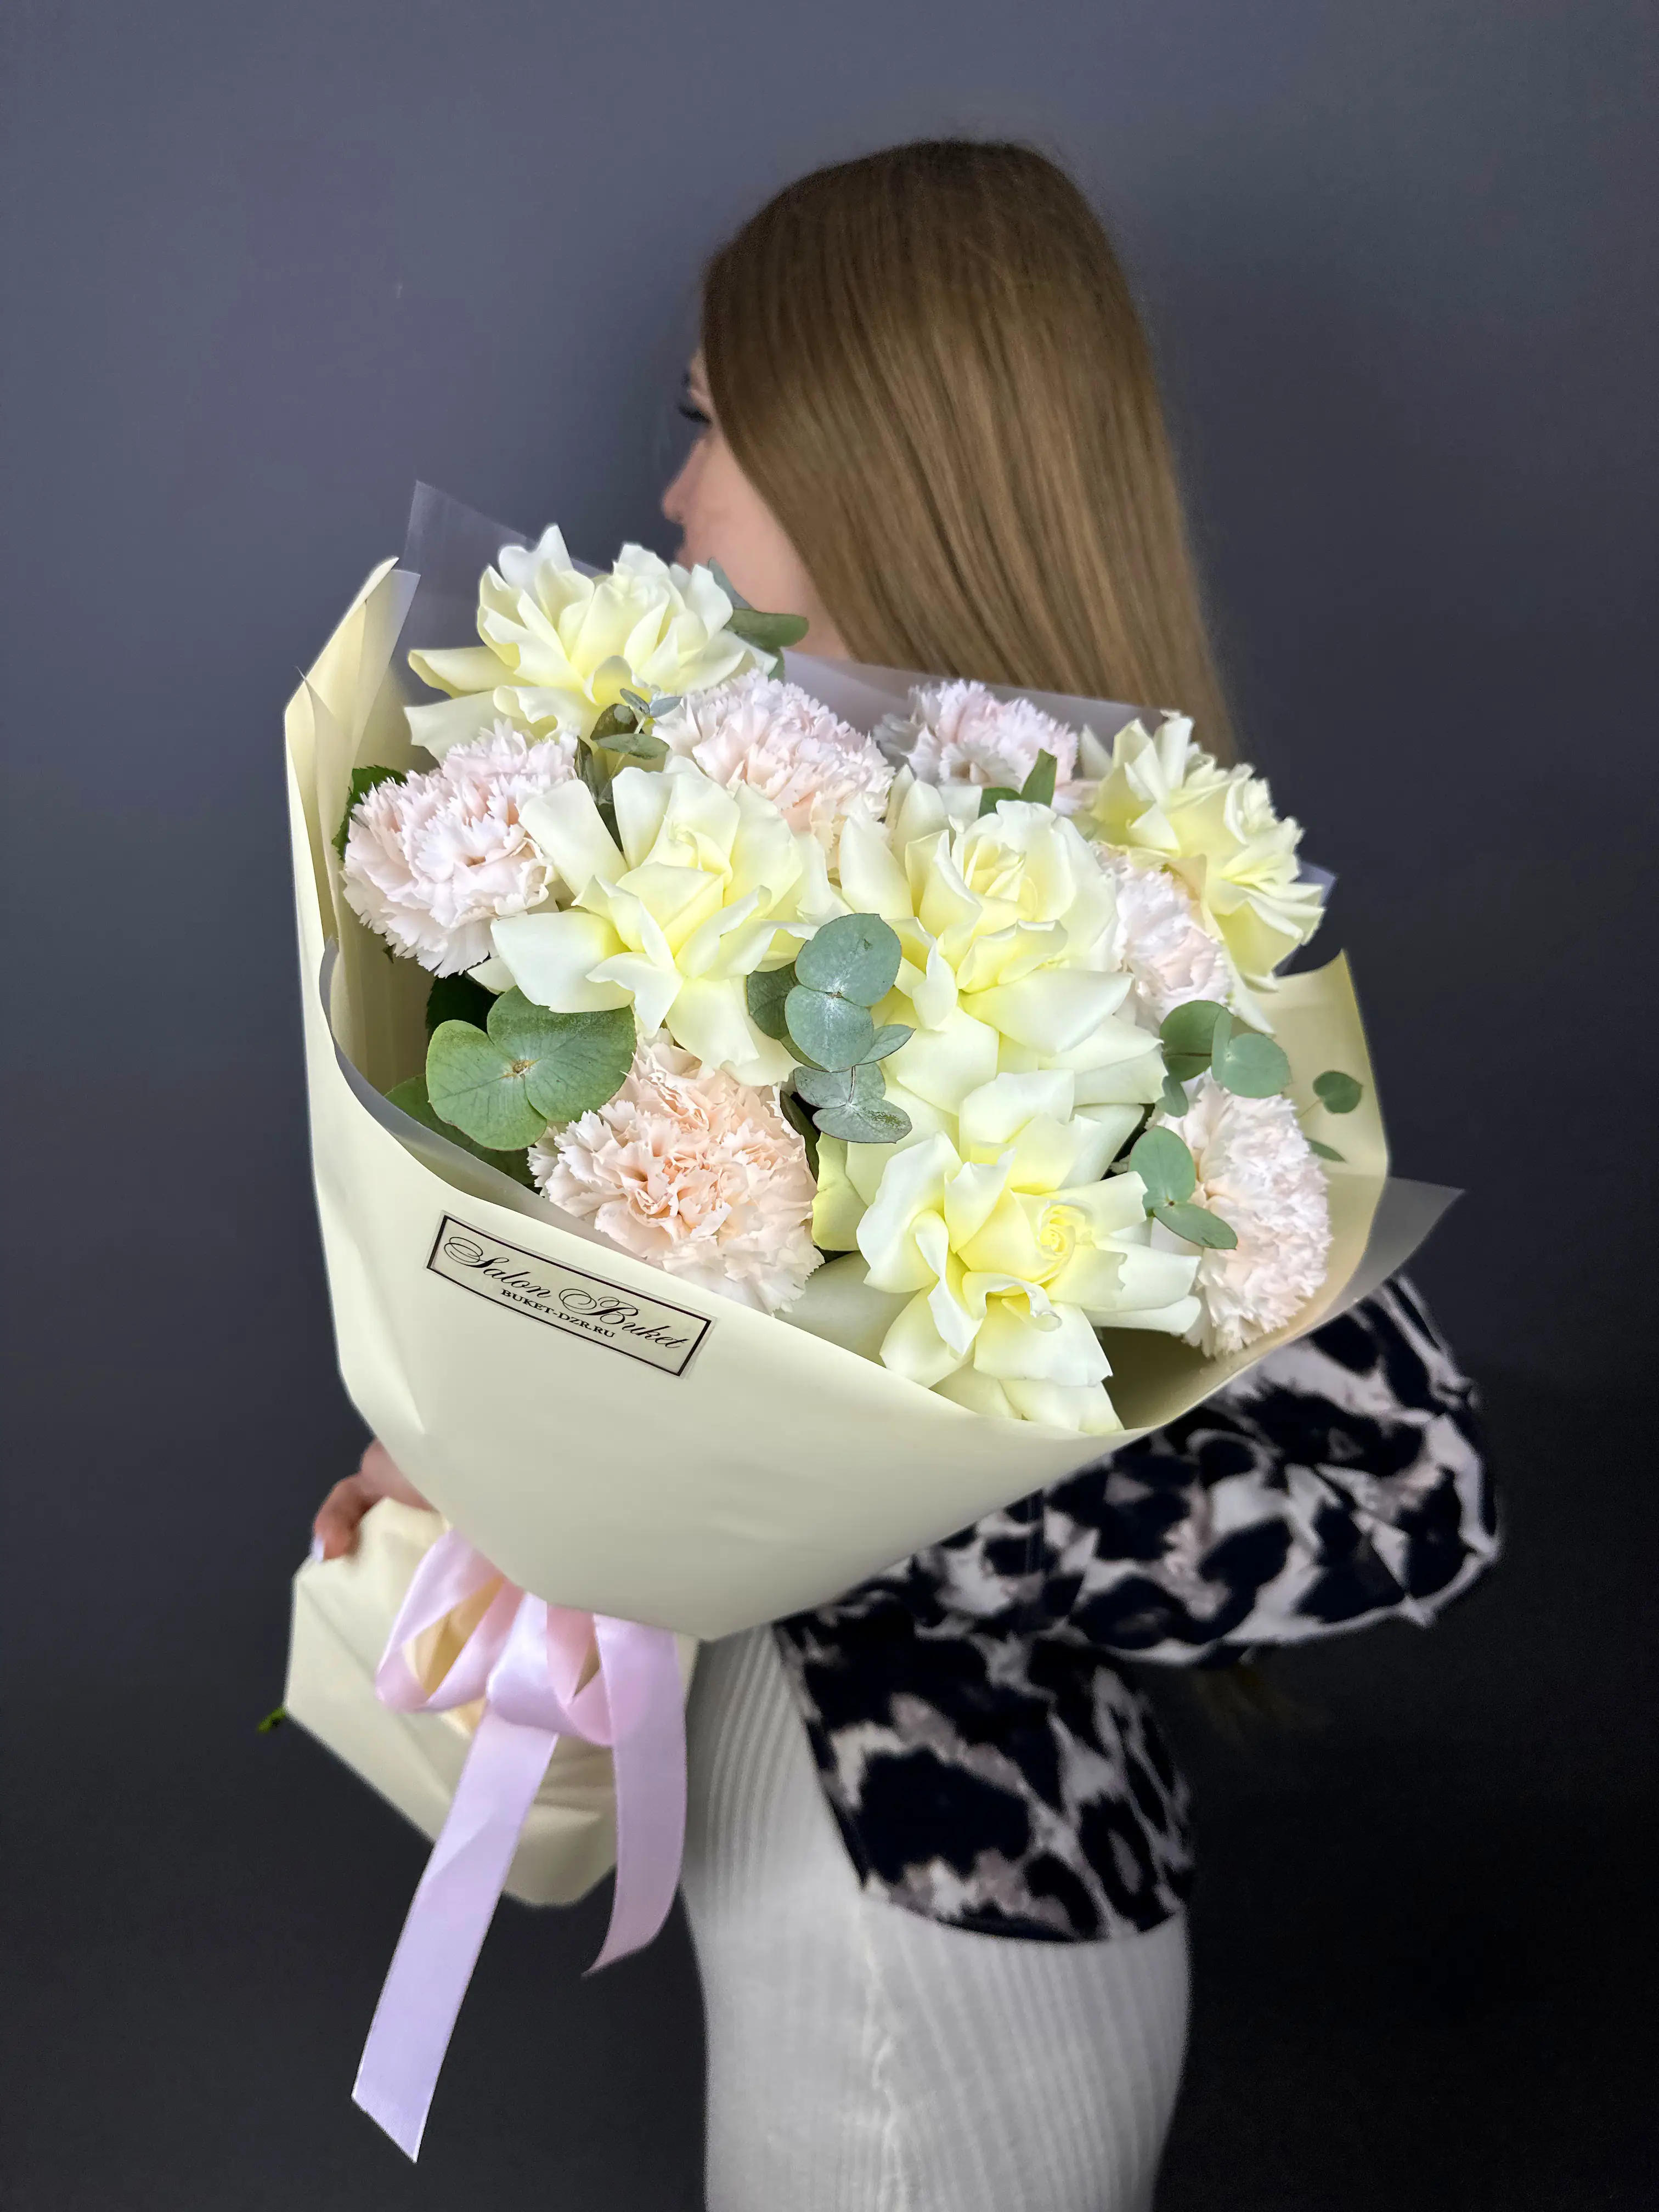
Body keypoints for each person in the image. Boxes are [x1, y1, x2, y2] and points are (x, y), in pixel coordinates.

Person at [314, 140, 1497, 2212]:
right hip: (837, 1877)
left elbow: (1419, 1500)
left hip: (948, 1928)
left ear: (872, 451)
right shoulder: (802, 847)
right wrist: (505, 1476)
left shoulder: (1094, 926)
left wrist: (845, 1503)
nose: (675, 493)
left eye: (714, 421)